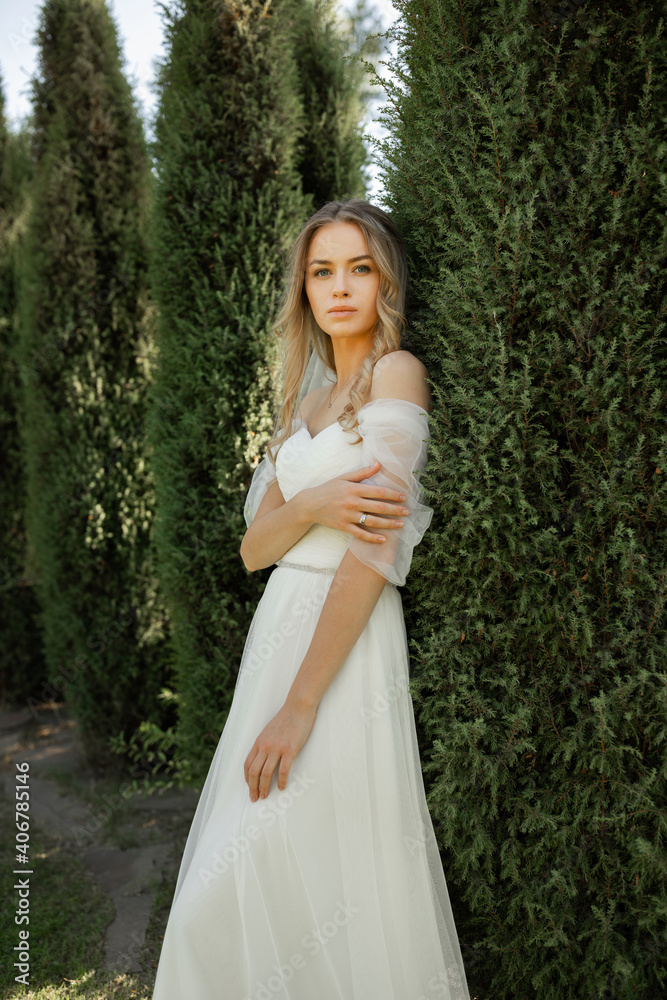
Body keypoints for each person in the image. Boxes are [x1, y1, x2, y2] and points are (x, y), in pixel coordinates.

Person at [152, 199, 470, 1000]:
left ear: (384, 282)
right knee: (266, 875)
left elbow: (374, 550)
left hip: (341, 651)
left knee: (307, 867)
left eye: (358, 268)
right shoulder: (305, 401)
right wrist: (312, 506)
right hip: (276, 637)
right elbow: (255, 550)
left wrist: (299, 705)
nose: (338, 287)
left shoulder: (397, 375)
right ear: (303, 288)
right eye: (321, 271)